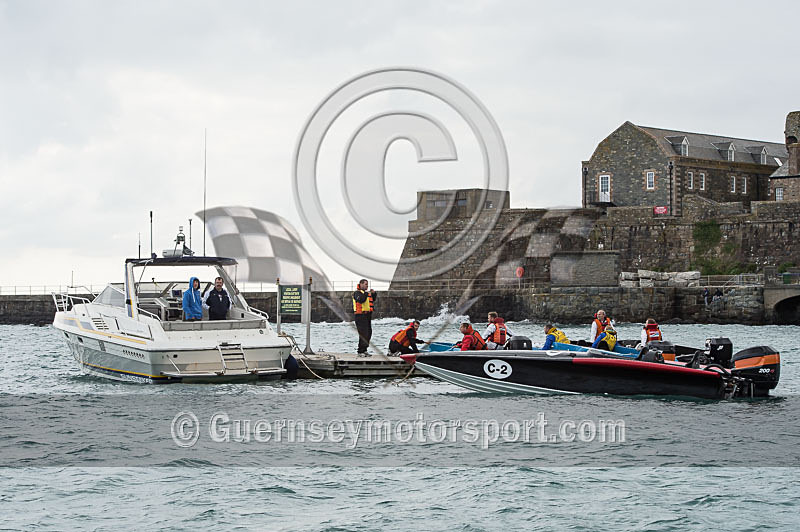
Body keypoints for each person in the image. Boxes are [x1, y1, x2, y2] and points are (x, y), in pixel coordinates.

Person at [352, 279, 377, 355]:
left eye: (367, 284)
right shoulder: (357, 293)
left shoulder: (366, 293)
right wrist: (366, 294)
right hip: (360, 316)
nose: (367, 286)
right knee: (363, 333)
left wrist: (374, 294)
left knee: (369, 333)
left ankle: (364, 349)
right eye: (366, 284)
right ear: (361, 284)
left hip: (367, 316)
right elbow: (361, 300)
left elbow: (372, 300)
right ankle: (360, 351)